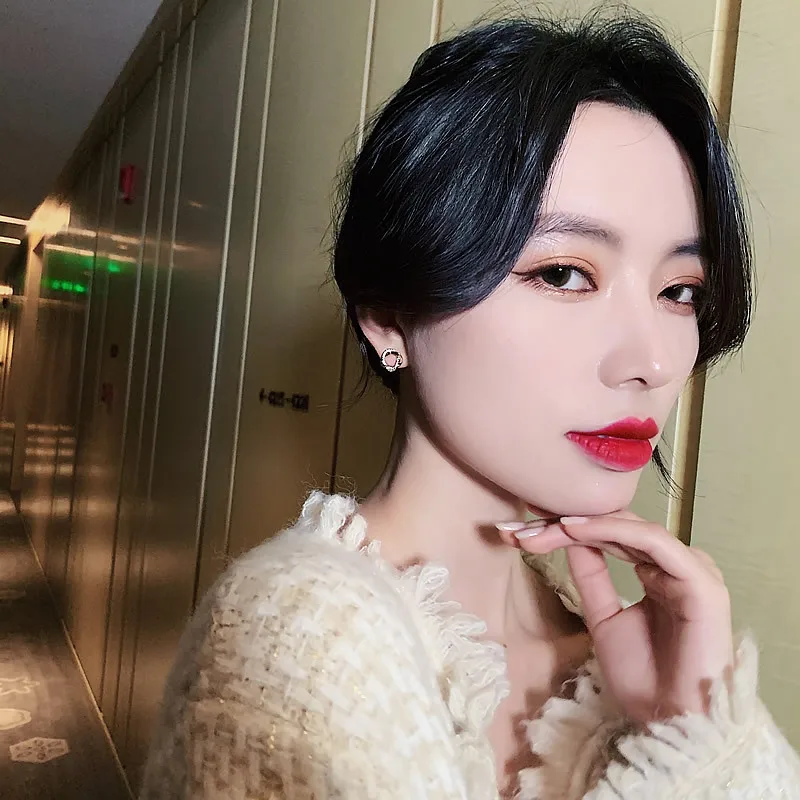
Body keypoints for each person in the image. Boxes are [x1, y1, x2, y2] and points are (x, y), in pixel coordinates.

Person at [140, 11, 800, 799]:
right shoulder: (294, 640)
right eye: (564, 274)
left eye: (680, 290)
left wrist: (687, 725)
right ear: (388, 316)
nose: (653, 362)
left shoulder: (622, 651)